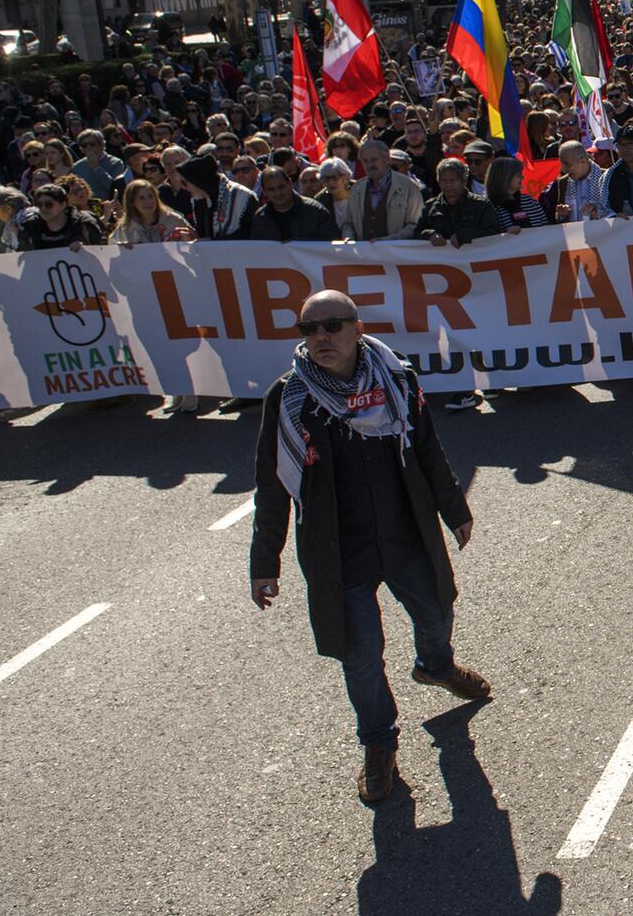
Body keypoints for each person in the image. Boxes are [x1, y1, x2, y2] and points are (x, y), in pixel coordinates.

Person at [249, 290, 491, 806]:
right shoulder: (290, 397)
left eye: (332, 326)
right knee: (361, 658)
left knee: (437, 609)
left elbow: (425, 445)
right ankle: (379, 744)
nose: (320, 338)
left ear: (358, 329)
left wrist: (455, 509)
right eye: (308, 330)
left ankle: (436, 665)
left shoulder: (396, 378)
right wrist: (263, 562)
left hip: (405, 534)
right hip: (339, 553)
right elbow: (272, 484)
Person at [346, 139, 424, 242]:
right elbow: (348, 223)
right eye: (365, 161)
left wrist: (388, 241)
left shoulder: (409, 186)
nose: (369, 165)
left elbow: (415, 224)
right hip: (364, 255)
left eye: (374, 160)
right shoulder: (356, 188)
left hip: (396, 254)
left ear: (387, 159)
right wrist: (348, 238)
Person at [251, 164, 341, 242]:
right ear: (264, 192)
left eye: (281, 187)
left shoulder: (315, 211)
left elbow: (332, 244)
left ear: (290, 183)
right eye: (271, 189)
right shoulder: (260, 218)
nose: (278, 193)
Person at [14, 181, 106, 249]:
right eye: (39, 205)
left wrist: (85, 247)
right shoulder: (30, 227)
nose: (43, 209)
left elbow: (102, 250)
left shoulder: (83, 223)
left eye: (49, 204)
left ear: (63, 204)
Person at [111, 178, 195, 245]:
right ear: (132, 202)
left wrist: (187, 239)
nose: (148, 202)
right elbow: (112, 248)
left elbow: (195, 241)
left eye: (150, 196)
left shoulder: (173, 220)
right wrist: (123, 249)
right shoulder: (125, 227)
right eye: (141, 198)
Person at [484, 155, 549, 230]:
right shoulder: (489, 208)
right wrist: (506, 236)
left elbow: (546, 227)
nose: (522, 177)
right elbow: (490, 237)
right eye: (518, 175)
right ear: (504, 178)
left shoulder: (530, 201)